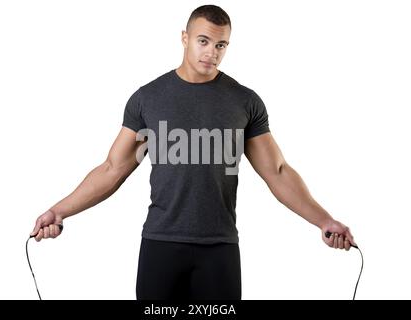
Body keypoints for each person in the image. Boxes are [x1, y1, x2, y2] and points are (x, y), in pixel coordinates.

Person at [30, 5, 357, 300]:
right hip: (161, 244)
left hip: (219, 248)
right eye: (203, 41)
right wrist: (59, 211)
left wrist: (324, 220)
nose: (211, 53)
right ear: (185, 38)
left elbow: (278, 172)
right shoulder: (148, 99)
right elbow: (113, 169)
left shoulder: (244, 102)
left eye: (221, 45)